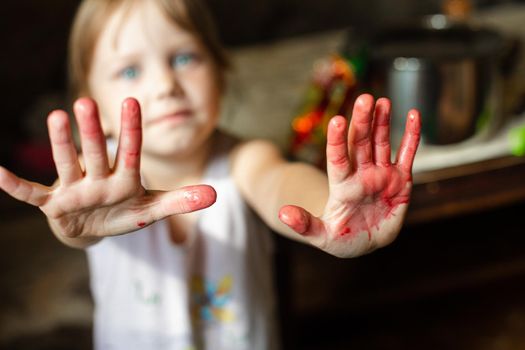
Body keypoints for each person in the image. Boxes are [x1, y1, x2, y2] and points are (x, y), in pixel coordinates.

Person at [0, 0, 421, 349]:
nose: (166, 84)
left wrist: (330, 211)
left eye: (184, 57)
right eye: (130, 70)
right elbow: (76, 216)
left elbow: (280, 181)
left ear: (221, 75)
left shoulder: (245, 158)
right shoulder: (99, 182)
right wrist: (71, 225)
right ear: (94, 104)